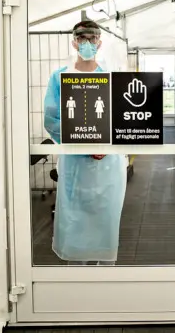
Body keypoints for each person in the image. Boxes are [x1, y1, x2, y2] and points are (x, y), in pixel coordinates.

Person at [43, 20, 127, 265]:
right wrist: (82, 143)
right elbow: (52, 119)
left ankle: (105, 277)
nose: (87, 43)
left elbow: (121, 118)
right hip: (75, 164)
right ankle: (77, 278)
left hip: (107, 164)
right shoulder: (60, 78)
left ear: (99, 43)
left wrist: (105, 146)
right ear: (74, 42)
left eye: (92, 39)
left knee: (105, 219)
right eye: (82, 39)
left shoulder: (111, 77)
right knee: (75, 222)